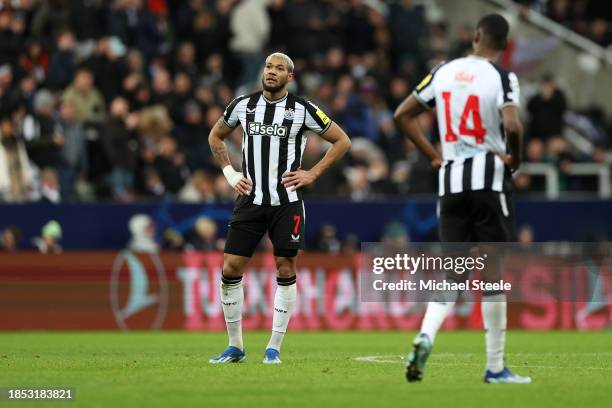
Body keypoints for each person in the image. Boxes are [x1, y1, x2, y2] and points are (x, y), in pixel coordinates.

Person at [394, 14, 530, 384]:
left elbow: (403, 114)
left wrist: (433, 155)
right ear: (503, 44)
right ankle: (496, 367)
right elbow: (514, 125)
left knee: (452, 271)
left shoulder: (444, 71)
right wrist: (515, 158)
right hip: (489, 179)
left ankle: (425, 334)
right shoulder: (503, 77)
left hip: (451, 182)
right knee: (493, 272)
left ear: (475, 36)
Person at [208, 52, 351, 364]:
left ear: (290, 76)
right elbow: (215, 136)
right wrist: (231, 173)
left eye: (280, 68)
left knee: (286, 267)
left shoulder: (303, 109)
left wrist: (312, 173)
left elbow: (342, 141)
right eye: (269, 67)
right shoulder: (242, 105)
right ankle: (235, 346)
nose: (272, 72)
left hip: (286, 202)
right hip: (249, 199)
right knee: (230, 268)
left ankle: (274, 347)